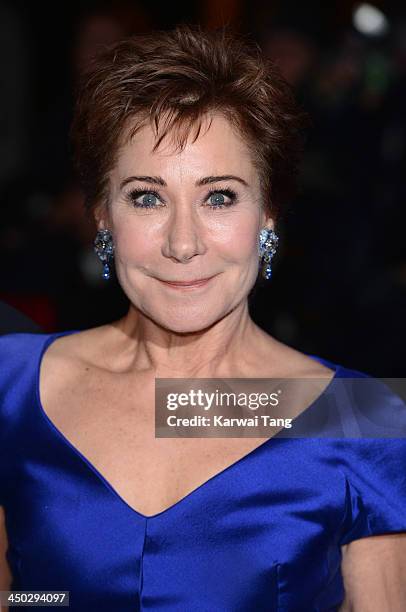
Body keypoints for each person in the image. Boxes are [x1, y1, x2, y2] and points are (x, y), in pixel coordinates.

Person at [1, 24, 405, 612]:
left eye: (219, 196)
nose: (183, 243)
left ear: (267, 213)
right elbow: (21, 596)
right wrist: (58, 601)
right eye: (147, 196)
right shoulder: (13, 385)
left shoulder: (365, 419)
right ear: (101, 218)